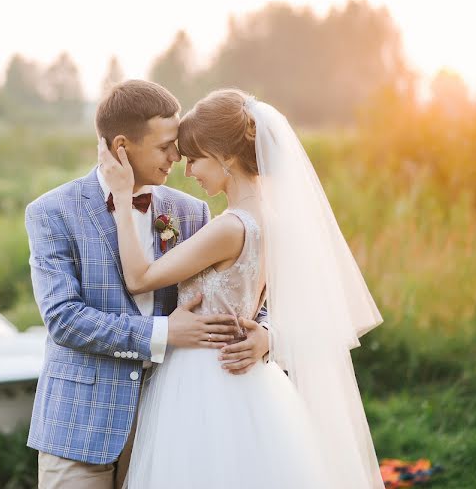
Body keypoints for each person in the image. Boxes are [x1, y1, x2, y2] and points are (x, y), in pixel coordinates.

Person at [99, 88, 384, 489]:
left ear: (226, 157)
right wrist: (268, 337)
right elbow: (311, 311)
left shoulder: (231, 226)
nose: (188, 169)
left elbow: (140, 278)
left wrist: (123, 198)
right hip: (251, 380)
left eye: (195, 158)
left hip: (203, 378)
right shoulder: (276, 221)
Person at [25, 80, 271, 489]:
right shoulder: (52, 212)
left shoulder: (191, 212)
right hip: (80, 425)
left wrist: (266, 333)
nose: (178, 157)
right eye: (165, 147)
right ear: (122, 147)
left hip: (172, 420)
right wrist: (163, 332)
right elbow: (63, 319)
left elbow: (239, 286)